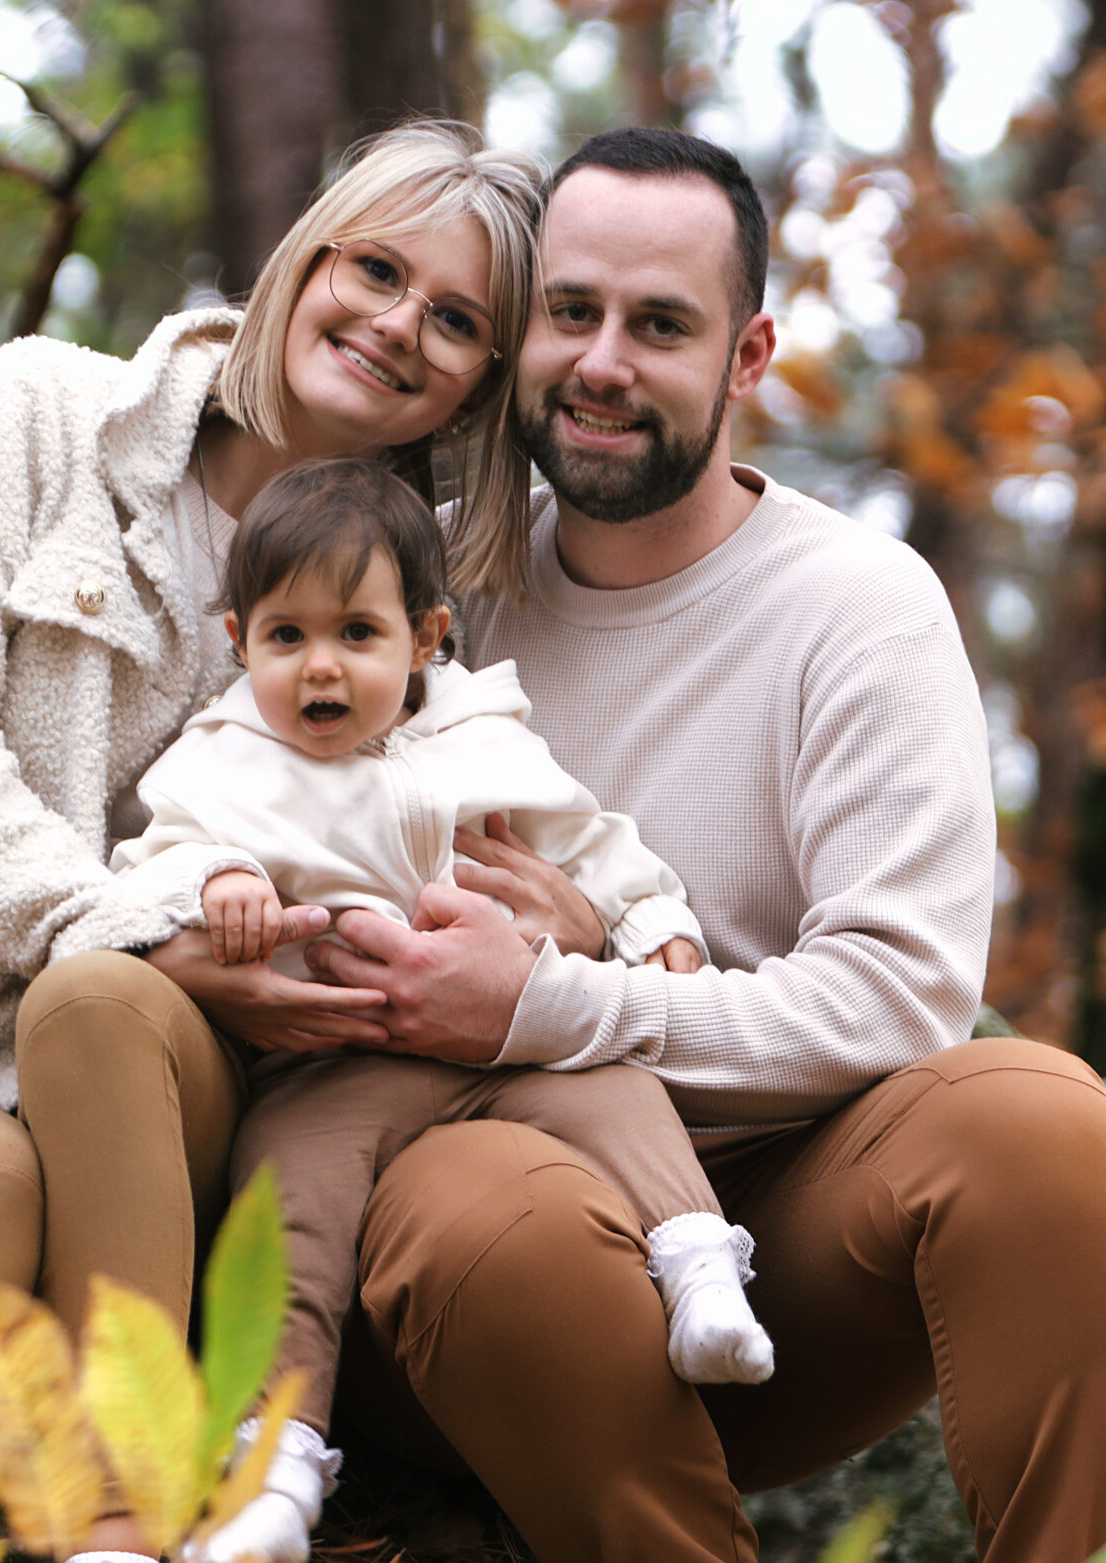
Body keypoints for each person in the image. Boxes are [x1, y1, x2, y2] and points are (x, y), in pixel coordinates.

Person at [149, 128, 1106, 1563]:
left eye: (660, 325)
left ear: (746, 357)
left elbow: (899, 998)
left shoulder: (856, 606)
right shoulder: (424, 590)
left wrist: (561, 993)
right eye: (569, 313)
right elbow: (253, 824)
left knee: (1041, 1124)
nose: (601, 363)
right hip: (445, 1261)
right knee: (492, 1213)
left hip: (759, 1249)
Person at [0, 122, 546, 1558]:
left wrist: (568, 908)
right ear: (304, 259)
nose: (398, 325)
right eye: (376, 268)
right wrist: (132, 929)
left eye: (456, 320)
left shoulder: (428, 607)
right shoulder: (33, 415)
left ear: (481, 383)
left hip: (165, 1098)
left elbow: (453, 847)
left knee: (96, 1004)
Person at [108, 454, 770, 1563]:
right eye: (285, 638)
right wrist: (211, 883)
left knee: (620, 1093)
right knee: (288, 1213)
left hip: (514, 1047)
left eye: (355, 636)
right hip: (340, 1059)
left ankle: (701, 1268)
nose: (319, 668)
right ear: (238, 641)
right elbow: (147, 869)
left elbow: (586, 842)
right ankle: (275, 1465)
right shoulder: (220, 764)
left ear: (424, 639)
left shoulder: (485, 736)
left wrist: (655, 923)